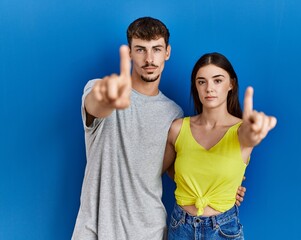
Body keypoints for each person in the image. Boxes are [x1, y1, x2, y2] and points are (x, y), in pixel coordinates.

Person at [72, 17, 246, 240]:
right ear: (129, 53)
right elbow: (96, 105)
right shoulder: (99, 88)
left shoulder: (173, 114)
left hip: (150, 232)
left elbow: (178, 169)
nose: (149, 58)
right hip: (96, 230)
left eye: (156, 49)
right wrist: (107, 98)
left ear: (167, 52)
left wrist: (223, 186)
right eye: (140, 50)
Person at [162, 52, 277, 239]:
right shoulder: (177, 128)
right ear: (195, 87)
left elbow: (249, 138)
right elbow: (162, 169)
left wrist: (254, 133)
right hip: (180, 227)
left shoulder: (241, 131)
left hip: (223, 229)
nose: (209, 88)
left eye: (217, 80)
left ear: (231, 84)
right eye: (201, 81)